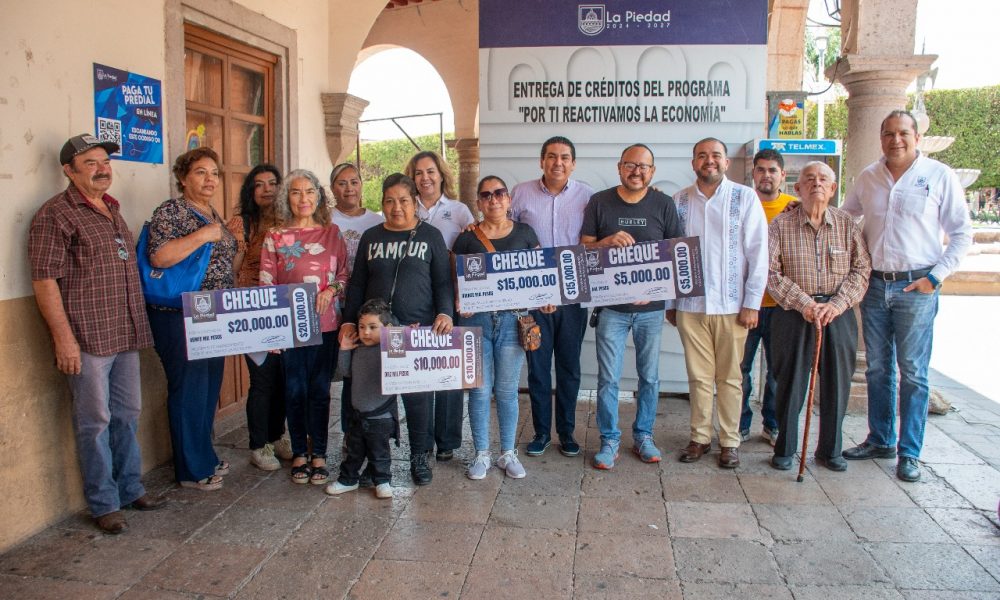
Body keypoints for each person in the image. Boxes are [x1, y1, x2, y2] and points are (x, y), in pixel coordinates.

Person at [29, 133, 166, 534]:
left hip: (125, 333)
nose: (102, 169)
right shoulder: (55, 215)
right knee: (95, 421)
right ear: (68, 171)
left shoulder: (111, 208)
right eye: (90, 163)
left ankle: (130, 488)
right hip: (88, 338)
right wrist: (63, 339)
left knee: (127, 415)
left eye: (105, 162)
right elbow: (44, 281)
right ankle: (104, 503)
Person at [840, 110, 972, 482]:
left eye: (903, 133)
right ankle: (880, 439)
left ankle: (909, 452)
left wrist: (935, 277)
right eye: (889, 133)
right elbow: (845, 218)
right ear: (881, 137)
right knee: (878, 368)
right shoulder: (868, 177)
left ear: (916, 137)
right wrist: (804, 208)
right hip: (875, 284)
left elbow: (962, 233)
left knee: (913, 372)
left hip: (917, 287)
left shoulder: (939, 176)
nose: (895, 140)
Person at [340, 173, 455, 486]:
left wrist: (445, 312)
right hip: (375, 334)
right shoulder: (372, 237)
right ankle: (373, 461)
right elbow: (358, 283)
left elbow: (443, 281)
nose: (397, 207)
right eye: (389, 201)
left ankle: (419, 456)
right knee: (373, 399)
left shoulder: (430, 236)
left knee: (418, 399)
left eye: (403, 200)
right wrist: (349, 321)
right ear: (382, 203)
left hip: (415, 331)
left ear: (414, 202)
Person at [668, 138, 768, 469]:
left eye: (715, 155)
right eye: (702, 156)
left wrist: (752, 303)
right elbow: (670, 255)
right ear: (693, 163)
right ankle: (699, 438)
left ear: (726, 162)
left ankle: (729, 441)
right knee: (698, 378)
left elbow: (758, 253)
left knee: (730, 378)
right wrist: (671, 302)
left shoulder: (744, 197)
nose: (708, 161)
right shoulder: (679, 201)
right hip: (691, 306)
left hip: (732, 307)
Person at [581, 144, 683, 470]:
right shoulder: (599, 202)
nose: (636, 171)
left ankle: (644, 436)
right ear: (619, 167)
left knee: (649, 377)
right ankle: (609, 439)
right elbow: (584, 250)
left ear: (652, 171)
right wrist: (605, 243)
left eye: (643, 166)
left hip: (651, 309)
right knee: (608, 379)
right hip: (611, 308)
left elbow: (676, 253)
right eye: (630, 165)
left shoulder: (664, 204)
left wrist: (655, 290)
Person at [767, 161, 871, 471]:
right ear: (797, 188)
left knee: (837, 383)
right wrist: (805, 304)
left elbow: (861, 269)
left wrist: (837, 304)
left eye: (824, 179)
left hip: (837, 314)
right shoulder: (780, 225)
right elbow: (770, 272)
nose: (817, 184)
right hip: (794, 313)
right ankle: (785, 448)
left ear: (833, 188)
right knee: (789, 382)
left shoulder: (846, 224)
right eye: (809, 179)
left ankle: (830, 450)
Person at [146, 147, 237, 490]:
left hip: (214, 314)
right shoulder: (171, 211)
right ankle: (190, 469)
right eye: (201, 172)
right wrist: (203, 235)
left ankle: (204, 455)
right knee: (188, 389)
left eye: (214, 173)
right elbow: (159, 257)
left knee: (208, 387)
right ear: (183, 178)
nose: (210, 179)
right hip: (180, 314)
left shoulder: (212, 213)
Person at [454, 176, 549, 480]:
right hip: (476, 323)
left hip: (513, 321)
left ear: (508, 199)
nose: (493, 199)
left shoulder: (525, 233)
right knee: (479, 390)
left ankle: (508, 452)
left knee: (507, 391)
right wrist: (460, 299)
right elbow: (454, 278)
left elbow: (539, 272)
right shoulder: (467, 238)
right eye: (486, 195)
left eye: (499, 193)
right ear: (478, 203)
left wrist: (545, 299)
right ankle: (481, 453)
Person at [260, 169, 349, 486]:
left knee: (320, 391)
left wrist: (330, 291)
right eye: (296, 192)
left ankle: (319, 453)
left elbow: (344, 276)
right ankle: (299, 451)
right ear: (287, 198)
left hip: (325, 325)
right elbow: (267, 283)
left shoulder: (332, 233)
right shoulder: (275, 236)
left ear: (319, 196)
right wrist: (271, 331)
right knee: (294, 389)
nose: (303, 198)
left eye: (309, 191)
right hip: (290, 327)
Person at [510, 136, 593, 457]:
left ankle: (567, 433)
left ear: (573, 163)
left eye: (564, 157)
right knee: (538, 369)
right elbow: (506, 235)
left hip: (573, 297)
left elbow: (594, 240)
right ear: (541, 161)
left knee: (570, 368)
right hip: (535, 300)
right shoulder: (520, 193)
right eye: (552, 156)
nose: (558, 162)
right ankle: (542, 432)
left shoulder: (588, 196)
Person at [404, 150, 472, 462]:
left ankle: (447, 440)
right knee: (420, 369)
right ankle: (422, 440)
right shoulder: (406, 207)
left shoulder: (459, 211)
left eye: (430, 171)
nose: (425, 178)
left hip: (450, 297)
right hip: (417, 297)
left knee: (448, 369)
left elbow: (472, 248)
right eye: (418, 173)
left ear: (442, 174)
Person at [226, 165, 293, 471]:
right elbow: (232, 268)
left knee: (283, 378)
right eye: (259, 184)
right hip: (253, 310)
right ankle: (259, 444)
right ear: (250, 191)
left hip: (285, 308)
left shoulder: (290, 221)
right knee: (263, 379)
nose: (267, 189)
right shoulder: (242, 223)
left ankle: (278, 436)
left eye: (272, 183)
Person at [739, 149, 796, 446]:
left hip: (781, 305)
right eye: (760, 170)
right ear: (753, 174)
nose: (766, 175)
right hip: (747, 303)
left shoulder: (794, 207)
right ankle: (740, 424)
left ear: (782, 175)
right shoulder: (743, 203)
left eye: (772, 170)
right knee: (740, 370)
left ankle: (772, 424)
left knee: (777, 371)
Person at [329, 162, 384, 439]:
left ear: (362, 185)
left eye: (354, 181)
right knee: (336, 370)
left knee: (360, 371)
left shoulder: (376, 221)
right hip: (330, 304)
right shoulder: (325, 219)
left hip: (364, 307)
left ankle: (368, 434)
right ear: (332, 188)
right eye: (342, 183)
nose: (349, 188)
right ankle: (346, 435)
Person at [327, 298, 398, 499]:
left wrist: (400, 337)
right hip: (358, 415)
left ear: (387, 328)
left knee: (380, 453)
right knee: (353, 452)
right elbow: (345, 371)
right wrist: (344, 349)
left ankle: (383, 481)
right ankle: (347, 480)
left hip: (381, 417)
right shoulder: (357, 348)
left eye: (373, 327)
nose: (366, 332)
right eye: (362, 326)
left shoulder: (389, 350)